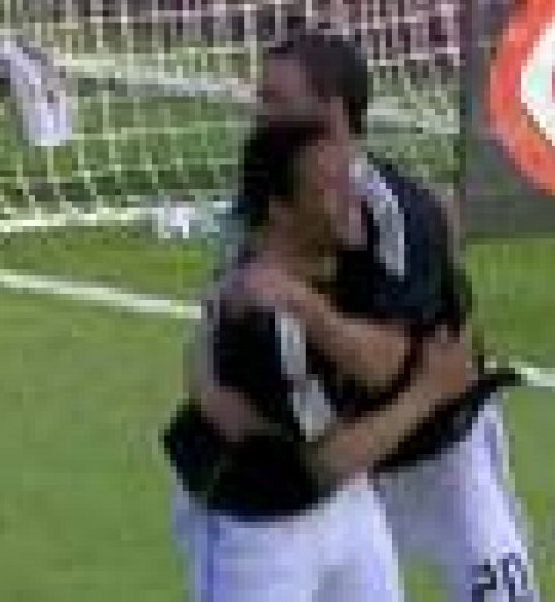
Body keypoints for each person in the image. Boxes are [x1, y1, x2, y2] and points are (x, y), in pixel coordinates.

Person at [192, 29, 539, 601]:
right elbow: (216, 331)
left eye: (275, 100)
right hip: (334, 471)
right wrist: (222, 401)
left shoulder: (398, 212)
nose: (259, 115)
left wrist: (303, 307)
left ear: (330, 113)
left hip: (438, 448)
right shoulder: (266, 207)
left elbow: (388, 368)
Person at [164, 118, 479, 602]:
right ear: (282, 210)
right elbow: (326, 462)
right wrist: (426, 393)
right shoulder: (271, 319)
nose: (354, 199)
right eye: (332, 189)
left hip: (349, 504)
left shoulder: (349, 261)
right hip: (262, 526)